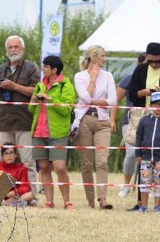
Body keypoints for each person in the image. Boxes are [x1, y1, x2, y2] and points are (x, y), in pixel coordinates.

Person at [0, 35, 40, 191]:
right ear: (6, 50)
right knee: (3, 161)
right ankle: (3, 195)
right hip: (4, 120)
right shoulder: (1, 68)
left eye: (16, 47)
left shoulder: (31, 68)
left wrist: (14, 86)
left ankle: (30, 195)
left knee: (27, 160)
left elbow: (36, 91)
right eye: (10, 47)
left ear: (22, 49)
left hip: (24, 120)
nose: (13, 50)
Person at [29, 55, 76, 209]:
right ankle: (49, 202)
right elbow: (31, 109)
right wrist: (34, 102)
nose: (43, 69)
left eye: (46, 66)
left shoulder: (65, 85)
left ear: (54, 69)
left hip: (57, 134)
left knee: (60, 168)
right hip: (38, 132)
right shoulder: (39, 85)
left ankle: (67, 201)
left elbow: (66, 109)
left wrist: (49, 99)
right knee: (44, 168)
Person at [73, 45, 117, 209]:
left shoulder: (108, 76)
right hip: (84, 120)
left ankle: (102, 199)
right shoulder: (80, 76)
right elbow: (84, 97)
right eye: (103, 56)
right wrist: (92, 78)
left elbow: (113, 101)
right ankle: (90, 200)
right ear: (93, 57)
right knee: (86, 164)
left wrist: (92, 101)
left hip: (102, 121)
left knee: (102, 161)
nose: (105, 59)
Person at [134, 91, 160, 212]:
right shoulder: (144, 121)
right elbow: (138, 137)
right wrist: (138, 153)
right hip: (145, 157)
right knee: (144, 181)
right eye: (156, 104)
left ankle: (158, 206)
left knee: (158, 182)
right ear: (151, 105)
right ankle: (143, 206)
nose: (159, 107)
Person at [115, 53, 146, 197]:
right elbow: (116, 100)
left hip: (150, 120)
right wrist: (111, 120)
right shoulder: (129, 78)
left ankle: (148, 186)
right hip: (130, 121)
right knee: (131, 153)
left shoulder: (156, 80)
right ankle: (127, 184)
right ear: (139, 63)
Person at [127, 42, 160, 112]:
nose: (154, 64)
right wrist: (143, 93)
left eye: (157, 61)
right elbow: (131, 95)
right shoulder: (140, 69)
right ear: (146, 56)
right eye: (150, 61)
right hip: (142, 114)